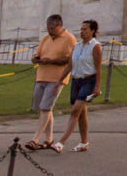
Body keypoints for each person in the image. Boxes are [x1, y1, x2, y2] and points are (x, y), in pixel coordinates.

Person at [27, 14, 77, 153]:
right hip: (42, 76)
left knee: (45, 107)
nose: (49, 31)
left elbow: (70, 60)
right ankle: (49, 139)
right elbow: (38, 53)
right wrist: (36, 59)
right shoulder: (46, 38)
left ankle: (35, 140)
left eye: (52, 28)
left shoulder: (69, 39)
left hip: (57, 78)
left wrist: (51, 61)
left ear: (59, 26)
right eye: (48, 28)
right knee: (39, 107)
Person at [57, 19, 102, 153]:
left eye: (85, 29)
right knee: (82, 113)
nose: (82, 32)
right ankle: (84, 142)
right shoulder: (77, 46)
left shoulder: (96, 46)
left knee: (75, 111)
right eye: (81, 29)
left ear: (92, 31)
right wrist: (59, 80)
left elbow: (98, 68)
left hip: (89, 81)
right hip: (76, 81)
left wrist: (97, 87)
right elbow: (70, 65)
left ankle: (61, 142)